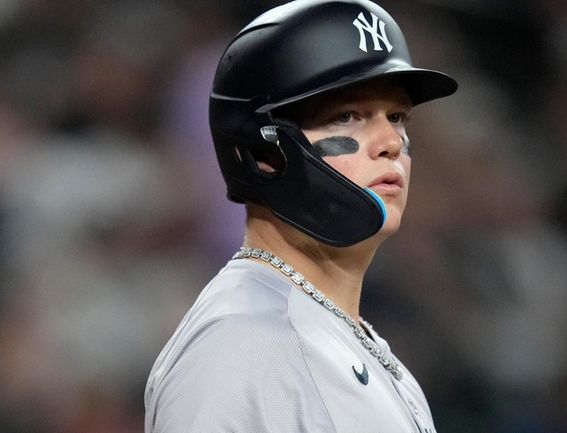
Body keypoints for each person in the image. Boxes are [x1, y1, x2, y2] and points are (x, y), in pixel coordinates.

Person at [143, 0, 457, 432]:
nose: (390, 141)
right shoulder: (236, 346)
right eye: (347, 116)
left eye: (398, 116)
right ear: (263, 153)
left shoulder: (352, 341)